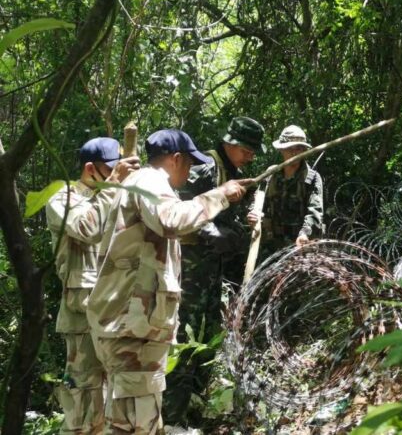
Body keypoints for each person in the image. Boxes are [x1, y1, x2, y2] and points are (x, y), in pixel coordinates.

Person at [86, 129, 250, 434]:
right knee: (136, 424)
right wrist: (220, 195)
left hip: (133, 327)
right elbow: (171, 219)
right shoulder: (149, 181)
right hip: (130, 328)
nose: (190, 174)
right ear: (176, 160)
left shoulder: (141, 185)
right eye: (189, 165)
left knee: (133, 421)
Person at [164, 116, 265, 424]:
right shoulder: (206, 166)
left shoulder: (232, 173)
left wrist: (236, 229)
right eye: (247, 150)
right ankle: (171, 412)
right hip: (191, 266)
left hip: (210, 268)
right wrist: (214, 233)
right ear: (231, 143)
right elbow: (182, 208)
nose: (250, 157)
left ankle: (194, 403)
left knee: (208, 332)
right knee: (185, 331)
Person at [45, 137, 140, 435]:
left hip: (118, 308)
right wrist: (113, 186)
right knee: (84, 397)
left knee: (121, 392)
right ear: (90, 168)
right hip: (81, 312)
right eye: (111, 169)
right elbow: (86, 228)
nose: (117, 174)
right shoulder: (62, 199)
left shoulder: (112, 196)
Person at [247, 125, 323, 254]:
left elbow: (315, 211)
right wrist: (253, 212)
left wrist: (304, 234)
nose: (294, 153)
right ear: (281, 150)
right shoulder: (271, 174)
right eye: (289, 148)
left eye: (298, 148)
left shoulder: (312, 178)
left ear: (304, 150)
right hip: (271, 245)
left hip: (301, 245)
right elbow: (258, 199)